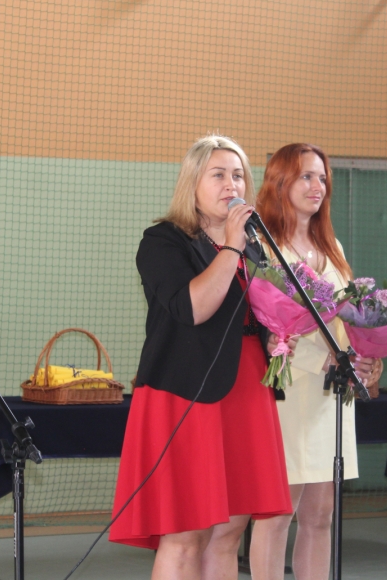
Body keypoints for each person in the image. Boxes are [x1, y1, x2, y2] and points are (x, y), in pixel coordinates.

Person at [109, 135, 292, 580]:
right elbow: (194, 308)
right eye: (218, 174)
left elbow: (251, 314)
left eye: (238, 175)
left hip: (246, 392)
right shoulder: (163, 241)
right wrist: (230, 246)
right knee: (186, 535)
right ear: (192, 183)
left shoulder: (253, 247)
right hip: (186, 394)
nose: (232, 184)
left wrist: (275, 338)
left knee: (229, 532)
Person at [249, 143, 383, 580]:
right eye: (306, 176)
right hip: (288, 393)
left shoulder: (333, 246)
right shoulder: (263, 247)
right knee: (276, 514)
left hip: (332, 398)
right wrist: (320, 360)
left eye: (322, 178)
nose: (317, 186)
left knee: (320, 514)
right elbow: (266, 328)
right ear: (280, 182)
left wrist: (368, 359)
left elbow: (346, 320)